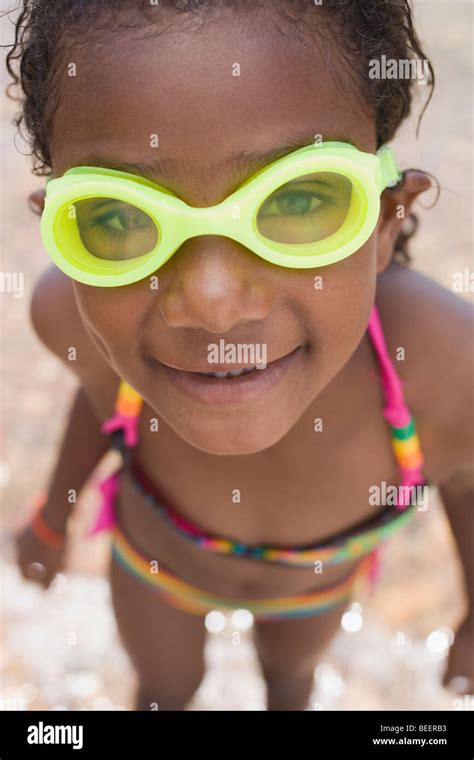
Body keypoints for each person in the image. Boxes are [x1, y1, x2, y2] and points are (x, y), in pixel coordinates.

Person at [8, 0, 474, 710]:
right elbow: (104, 404)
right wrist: (53, 514)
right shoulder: (67, 317)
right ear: (65, 242)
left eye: (296, 202)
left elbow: (466, 480)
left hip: (311, 587)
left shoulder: (446, 367)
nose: (213, 302)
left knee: (291, 687)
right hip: (158, 564)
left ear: (386, 219)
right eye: (119, 219)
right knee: (164, 694)